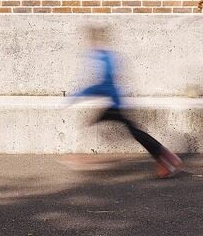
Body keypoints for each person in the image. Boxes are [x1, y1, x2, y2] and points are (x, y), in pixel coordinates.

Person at [71, 25, 183, 178]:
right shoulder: (108, 56)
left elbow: (103, 83)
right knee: (134, 131)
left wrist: (78, 95)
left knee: (133, 132)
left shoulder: (101, 57)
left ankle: (166, 157)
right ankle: (166, 157)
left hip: (116, 103)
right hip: (117, 101)